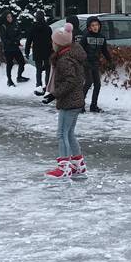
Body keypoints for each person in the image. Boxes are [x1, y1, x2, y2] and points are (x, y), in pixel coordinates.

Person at [45, 23, 87, 179]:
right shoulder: (72, 54)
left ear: (59, 44)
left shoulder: (65, 59)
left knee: (62, 134)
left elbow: (70, 81)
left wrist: (53, 94)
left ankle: (63, 167)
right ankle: (77, 165)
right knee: (69, 134)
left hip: (69, 101)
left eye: (53, 42)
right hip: (75, 100)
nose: (52, 44)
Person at [79, 16, 114, 112]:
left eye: (97, 25)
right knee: (88, 82)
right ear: (89, 27)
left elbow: (104, 50)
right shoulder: (86, 36)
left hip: (95, 63)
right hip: (86, 63)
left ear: (99, 26)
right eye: (93, 25)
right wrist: (81, 60)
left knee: (97, 84)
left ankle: (93, 105)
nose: (95, 27)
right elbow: (79, 49)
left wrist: (110, 61)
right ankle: (80, 105)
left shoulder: (101, 37)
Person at [24, 11, 54, 93]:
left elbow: (29, 41)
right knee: (47, 68)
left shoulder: (33, 28)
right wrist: (52, 50)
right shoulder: (48, 28)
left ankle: (38, 85)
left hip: (37, 51)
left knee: (38, 69)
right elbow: (51, 40)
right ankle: (47, 84)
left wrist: (26, 51)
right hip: (47, 51)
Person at [0, 11, 29, 87]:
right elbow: (4, 39)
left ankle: (19, 77)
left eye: (10, 16)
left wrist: (17, 40)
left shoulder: (15, 25)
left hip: (15, 48)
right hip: (8, 49)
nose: (10, 18)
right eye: (8, 17)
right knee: (10, 64)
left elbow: (19, 34)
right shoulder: (3, 27)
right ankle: (9, 80)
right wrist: (12, 42)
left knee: (22, 62)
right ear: (5, 18)